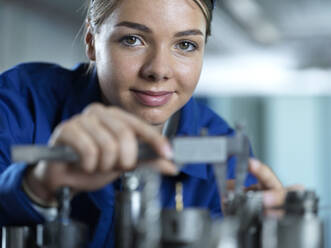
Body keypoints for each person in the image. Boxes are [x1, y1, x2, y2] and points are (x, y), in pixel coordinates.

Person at [0, 0, 285, 247]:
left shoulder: (223, 149)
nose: (158, 70)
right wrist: (36, 188)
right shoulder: (20, 103)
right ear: (91, 40)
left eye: (185, 45)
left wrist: (268, 234)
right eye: (133, 39)